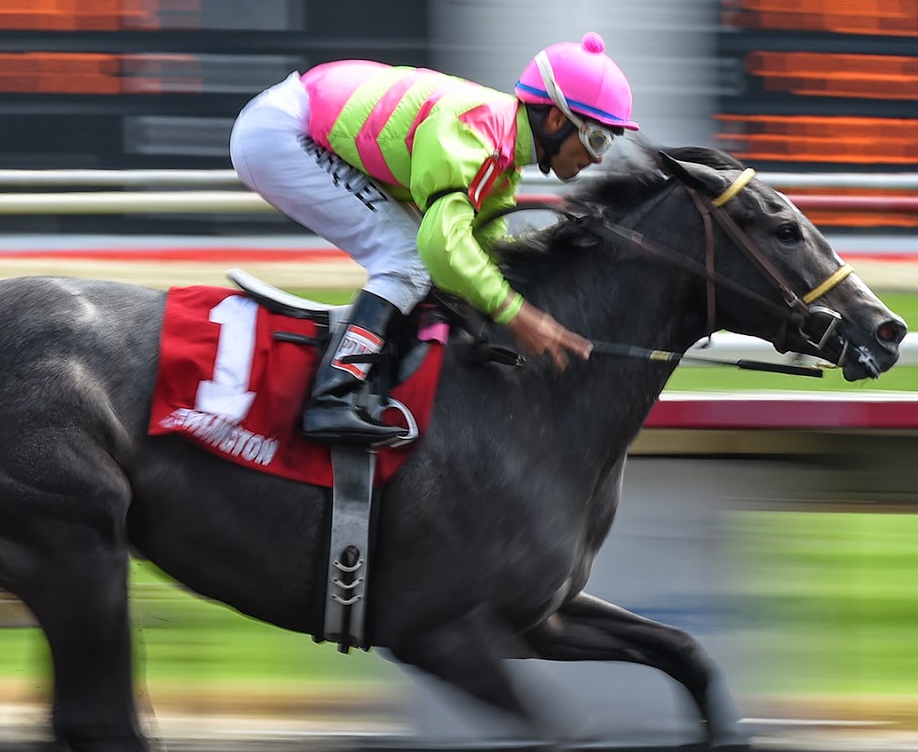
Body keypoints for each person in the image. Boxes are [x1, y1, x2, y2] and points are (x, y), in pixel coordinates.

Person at [230, 32, 638, 445]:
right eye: (596, 138)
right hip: (283, 134)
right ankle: (332, 397)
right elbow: (442, 246)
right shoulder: (477, 134)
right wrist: (518, 315)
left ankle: (374, 373)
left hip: (306, 119)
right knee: (407, 256)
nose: (598, 157)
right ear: (555, 120)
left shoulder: (502, 154)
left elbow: (484, 253)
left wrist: (518, 304)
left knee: (428, 265)